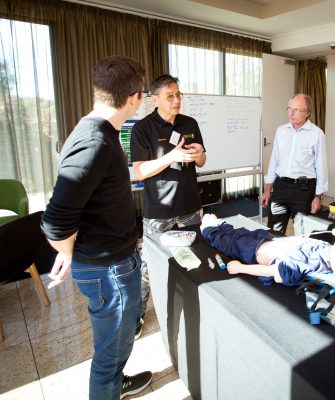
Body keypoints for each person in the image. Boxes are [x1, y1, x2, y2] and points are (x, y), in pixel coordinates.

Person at [41, 56, 152, 400]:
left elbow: (83, 204)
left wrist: (70, 251)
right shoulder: (94, 141)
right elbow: (55, 221)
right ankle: (109, 385)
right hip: (109, 271)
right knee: (109, 354)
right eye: (144, 95)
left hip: (114, 262)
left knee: (116, 345)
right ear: (134, 97)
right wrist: (67, 251)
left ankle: (116, 382)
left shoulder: (103, 132)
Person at [130, 74, 207, 338]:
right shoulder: (141, 129)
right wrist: (172, 156)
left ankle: (200, 303)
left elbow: (202, 161)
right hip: (158, 211)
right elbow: (140, 172)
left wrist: (198, 155)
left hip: (190, 207)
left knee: (196, 258)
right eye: (170, 96)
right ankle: (138, 314)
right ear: (155, 99)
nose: (176, 100)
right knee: (148, 266)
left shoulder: (190, 123)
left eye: (178, 95)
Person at [200, 214, 335, 285]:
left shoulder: (303, 263)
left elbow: (270, 271)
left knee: (229, 243)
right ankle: (222, 225)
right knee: (242, 233)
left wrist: (240, 268)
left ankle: (209, 230)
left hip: (254, 252)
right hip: (270, 241)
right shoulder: (330, 253)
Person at [261, 93, 328, 235]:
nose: (291, 112)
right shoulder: (281, 131)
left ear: (307, 113)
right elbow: (274, 161)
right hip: (281, 188)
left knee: (303, 234)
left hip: (303, 190)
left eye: (296, 110)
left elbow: (321, 167)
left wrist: (318, 197)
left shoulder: (317, 134)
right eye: (289, 108)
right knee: (273, 231)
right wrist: (267, 190)